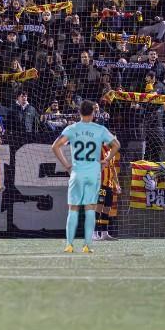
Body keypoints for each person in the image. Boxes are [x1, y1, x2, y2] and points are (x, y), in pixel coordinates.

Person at [51, 100, 120, 254]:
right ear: (93, 113)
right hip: (93, 173)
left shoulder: (72, 128)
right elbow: (117, 145)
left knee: (73, 209)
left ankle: (69, 245)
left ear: (79, 113)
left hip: (77, 172)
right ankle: (87, 245)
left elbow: (55, 146)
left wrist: (67, 165)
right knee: (90, 209)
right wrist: (107, 160)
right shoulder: (100, 129)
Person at [94, 141, 122, 241]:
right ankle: (94, 233)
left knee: (107, 209)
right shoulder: (99, 150)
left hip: (109, 185)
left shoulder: (112, 152)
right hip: (100, 185)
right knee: (98, 208)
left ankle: (104, 233)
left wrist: (117, 185)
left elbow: (113, 169)